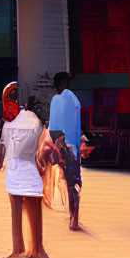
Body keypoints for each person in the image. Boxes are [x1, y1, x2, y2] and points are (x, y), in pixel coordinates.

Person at [0, 82, 52, 258]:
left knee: (18, 210)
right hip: (30, 172)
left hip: (16, 171)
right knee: (33, 209)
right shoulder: (34, 121)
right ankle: (37, 250)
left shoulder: (11, 122)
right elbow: (43, 149)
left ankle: (21, 250)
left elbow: (3, 148)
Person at [47, 72, 88, 229]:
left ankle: (73, 216)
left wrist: (55, 146)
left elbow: (54, 126)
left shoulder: (59, 100)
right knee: (74, 182)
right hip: (69, 145)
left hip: (61, 145)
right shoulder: (71, 99)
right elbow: (75, 125)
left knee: (69, 181)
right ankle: (74, 217)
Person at [49, 129, 83, 234]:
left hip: (70, 175)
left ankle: (73, 220)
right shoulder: (63, 150)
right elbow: (54, 162)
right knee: (75, 197)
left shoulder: (65, 149)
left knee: (73, 197)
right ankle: (73, 222)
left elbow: (53, 162)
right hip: (71, 175)